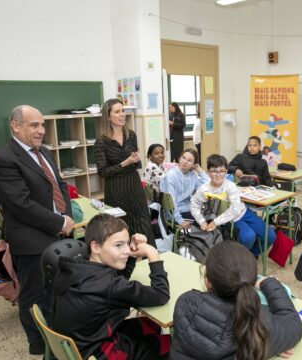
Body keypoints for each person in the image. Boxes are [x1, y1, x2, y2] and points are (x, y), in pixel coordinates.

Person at [0, 105, 74, 355]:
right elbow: (21, 205)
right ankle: (38, 344)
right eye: (34, 125)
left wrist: (66, 216)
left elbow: (60, 185)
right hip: (32, 241)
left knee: (56, 290)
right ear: (15, 126)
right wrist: (59, 222)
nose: (41, 131)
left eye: (42, 125)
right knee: (34, 295)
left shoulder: (44, 152)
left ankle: (57, 334)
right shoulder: (4, 159)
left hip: (57, 234)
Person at [53, 214, 170, 359]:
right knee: (170, 344)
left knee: (152, 325)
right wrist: (153, 254)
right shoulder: (109, 286)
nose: (126, 250)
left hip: (82, 344)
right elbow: (161, 295)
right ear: (95, 246)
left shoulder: (76, 267)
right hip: (99, 353)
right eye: (118, 245)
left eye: (127, 243)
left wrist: (129, 256)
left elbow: (119, 281)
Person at [171, 241, 302, 359]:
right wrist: (268, 282)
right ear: (251, 282)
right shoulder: (259, 322)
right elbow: (293, 324)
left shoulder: (185, 303)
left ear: (207, 281)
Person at [94, 98, 155, 246]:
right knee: (121, 228)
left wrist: (135, 160)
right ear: (108, 117)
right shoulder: (101, 142)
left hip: (133, 186)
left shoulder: (131, 135)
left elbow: (135, 163)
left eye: (123, 111)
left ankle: (149, 259)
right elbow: (103, 172)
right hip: (116, 189)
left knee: (143, 224)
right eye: (117, 112)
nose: (122, 115)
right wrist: (125, 163)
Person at [190, 154, 276, 257]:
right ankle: (243, 256)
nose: (218, 174)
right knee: (248, 237)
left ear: (226, 171)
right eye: (214, 171)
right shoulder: (204, 189)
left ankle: (251, 254)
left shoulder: (230, 186)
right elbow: (194, 205)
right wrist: (201, 221)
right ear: (208, 172)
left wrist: (215, 222)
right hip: (227, 220)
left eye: (221, 171)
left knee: (270, 236)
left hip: (243, 213)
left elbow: (235, 209)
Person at [159, 149, 209, 229]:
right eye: (183, 158)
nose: (185, 162)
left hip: (188, 209)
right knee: (207, 223)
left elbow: (207, 187)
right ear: (179, 158)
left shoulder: (192, 175)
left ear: (194, 164)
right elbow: (171, 202)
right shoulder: (170, 176)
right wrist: (180, 220)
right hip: (174, 214)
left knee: (211, 218)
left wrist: (200, 172)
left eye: (189, 160)